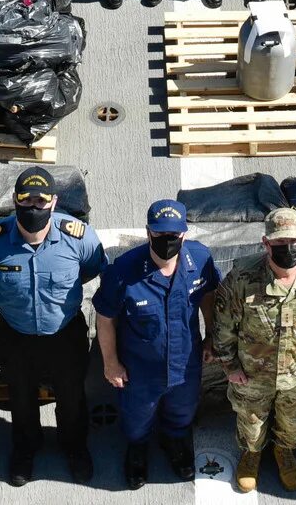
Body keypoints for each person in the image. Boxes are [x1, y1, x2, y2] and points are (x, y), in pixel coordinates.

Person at [0, 168, 108, 486]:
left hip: (65, 334)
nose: (33, 207)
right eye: (25, 200)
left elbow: (90, 271)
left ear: (53, 202)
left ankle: (74, 446)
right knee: (21, 396)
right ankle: (26, 447)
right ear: (15, 201)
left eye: (40, 200)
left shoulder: (79, 237)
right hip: (16, 335)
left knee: (72, 397)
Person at [212, 206, 296, 495]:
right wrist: (230, 367)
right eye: (280, 243)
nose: (288, 249)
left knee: (293, 421)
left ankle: (284, 451)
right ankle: (252, 454)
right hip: (252, 373)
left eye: (293, 243)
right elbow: (223, 325)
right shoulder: (242, 277)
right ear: (265, 243)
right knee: (251, 420)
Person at [95, 199, 220, 489]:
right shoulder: (124, 271)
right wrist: (111, 363)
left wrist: (212, 334)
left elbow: (208, 297)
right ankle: (137, 450)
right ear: (148, 232)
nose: (167, 241)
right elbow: (105, 319)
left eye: (173, 236)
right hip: (139, 367)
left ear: (184, 234)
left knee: (183, 409)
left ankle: (173, 441)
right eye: (160, 234)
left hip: (185, 361)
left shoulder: (199, 260)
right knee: (137, 415)